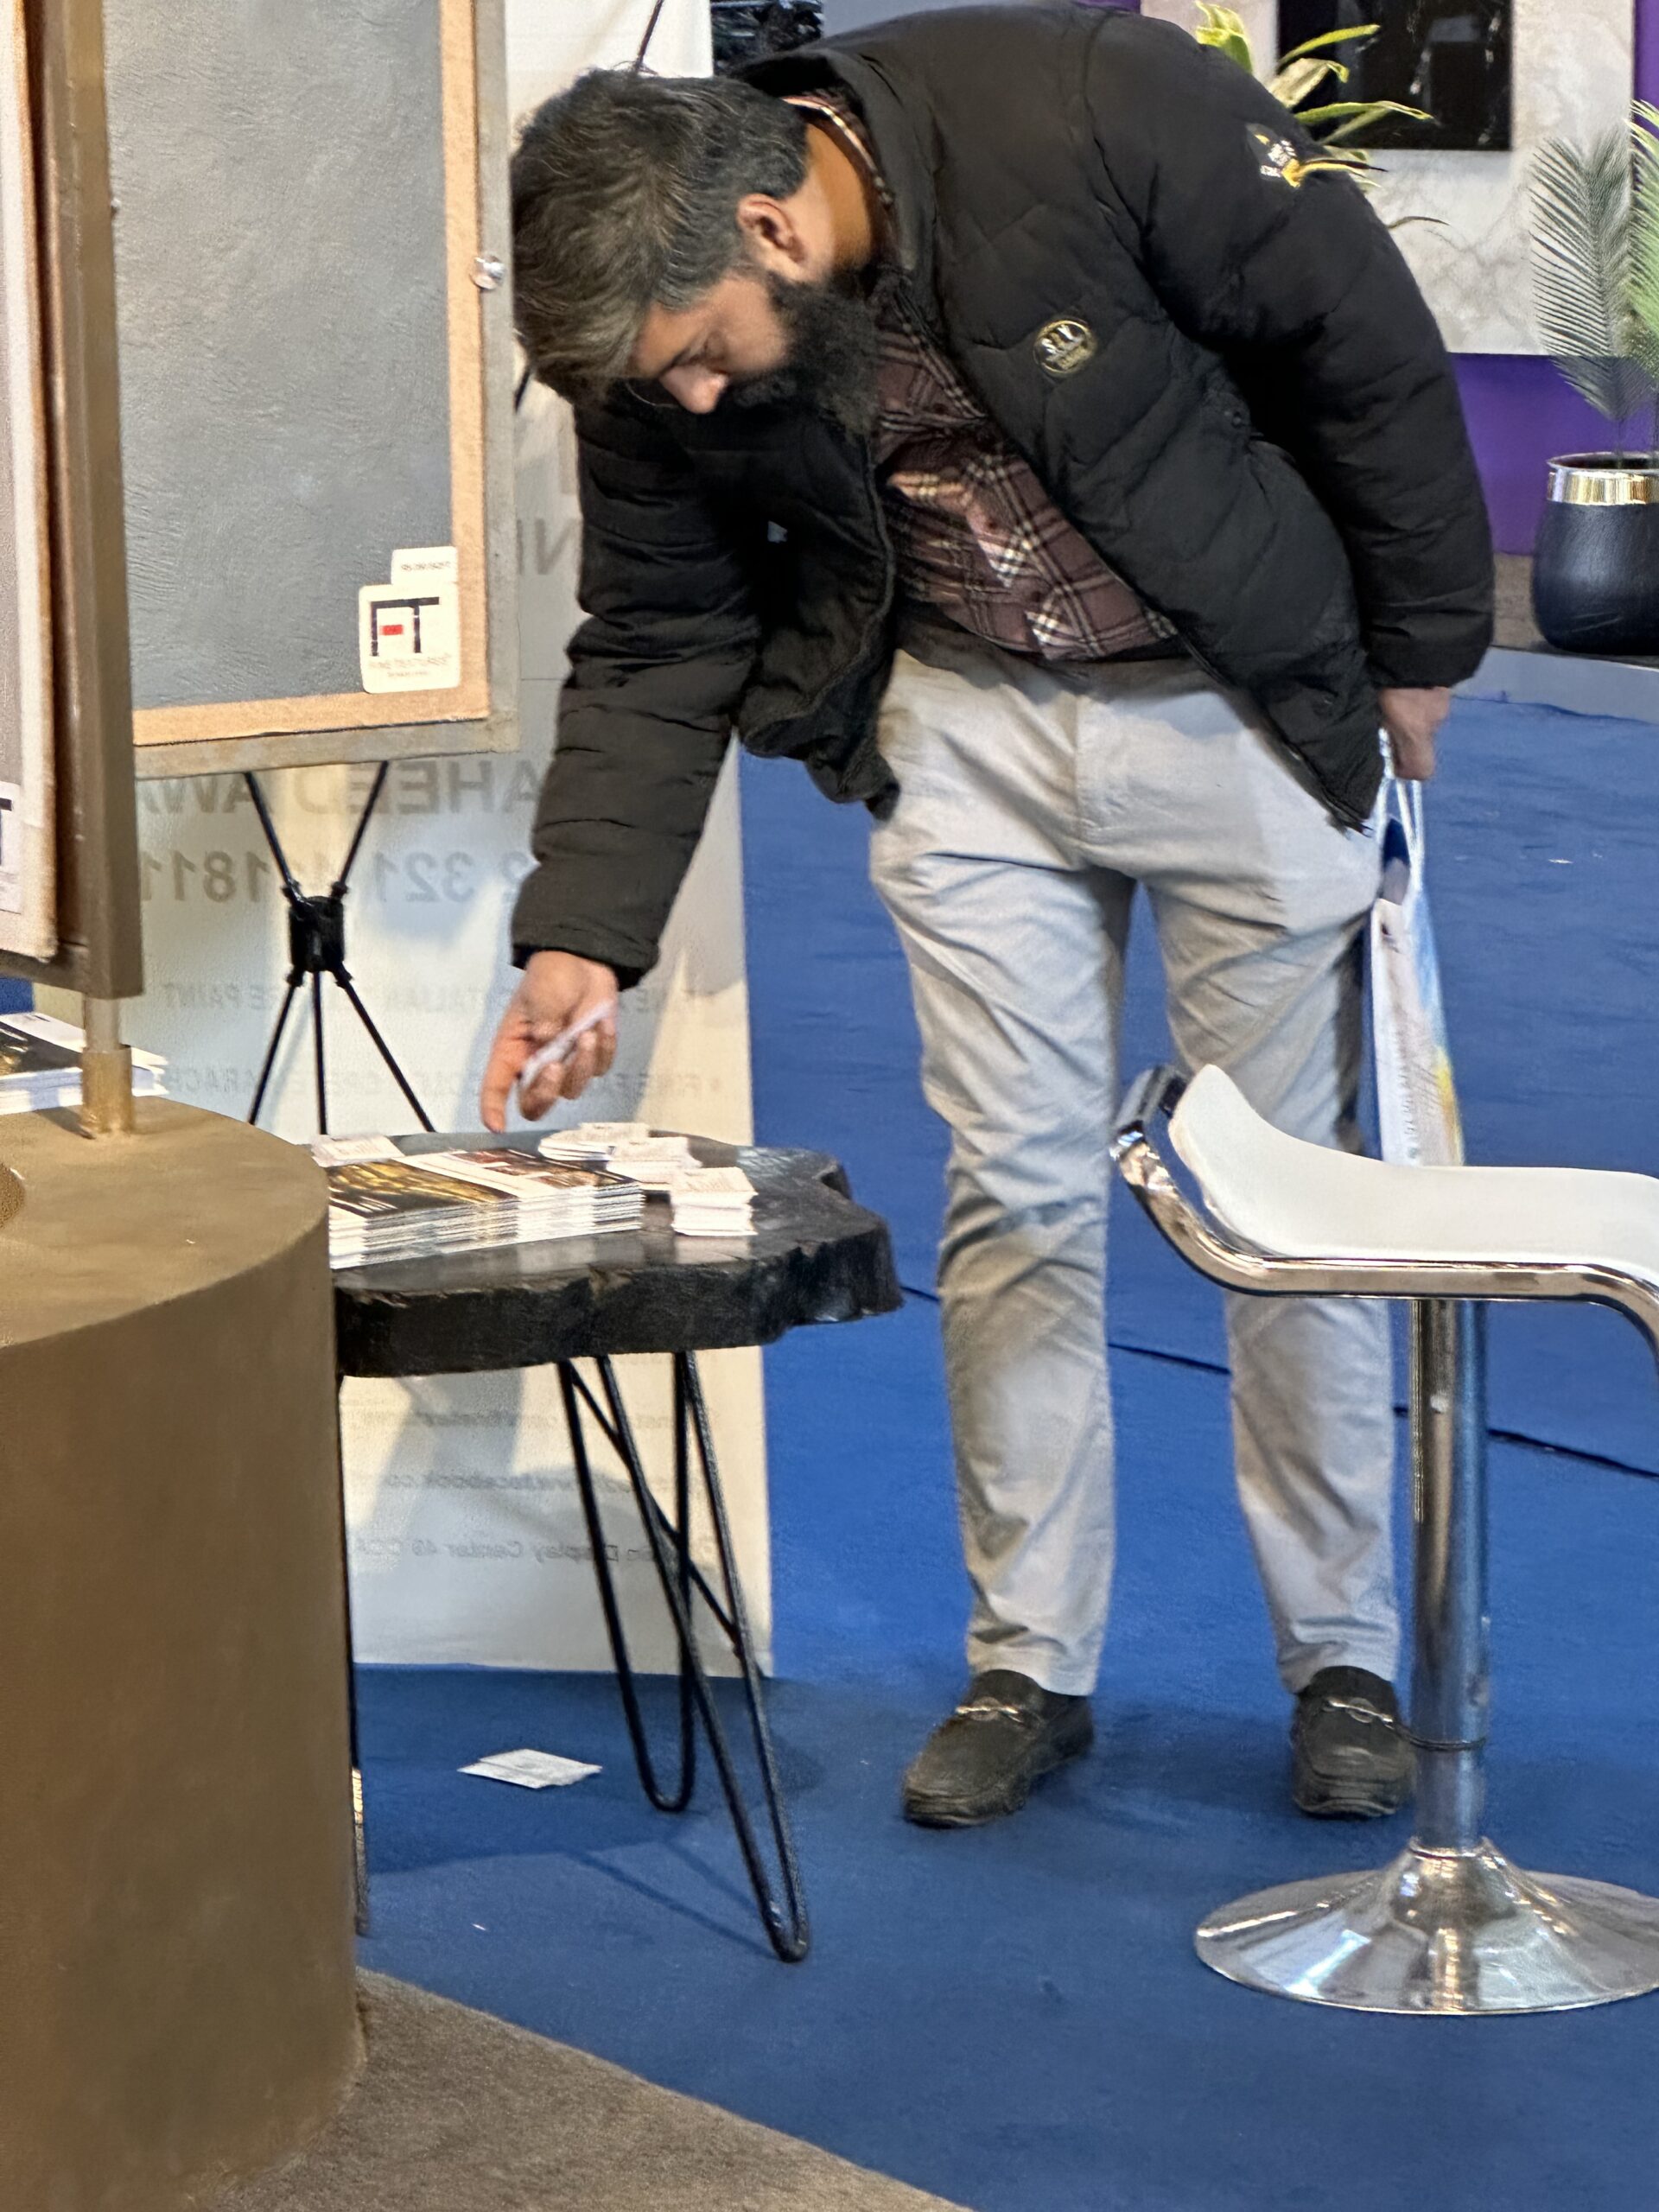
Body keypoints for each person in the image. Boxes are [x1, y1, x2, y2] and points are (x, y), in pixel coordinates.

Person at [482, 4, 1494, 1829]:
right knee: (1012, 1195)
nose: (690, 402)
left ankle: (1341, 1658)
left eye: (700, 357)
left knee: (1290, 1196)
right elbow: (658, 628)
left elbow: (1362, 349)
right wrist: (584, 932)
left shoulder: (1096, 100)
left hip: (1233, 701)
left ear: (774, 228)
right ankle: (1028, 1661)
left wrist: (1418, 649)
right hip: (964, 730)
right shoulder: (647, 336)